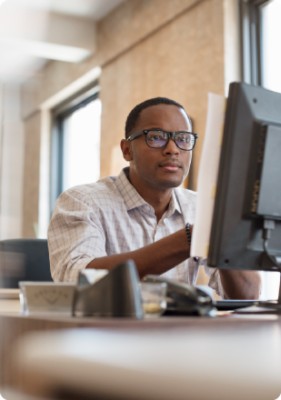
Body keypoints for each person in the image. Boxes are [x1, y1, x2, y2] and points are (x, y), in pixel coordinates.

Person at [48, 97, 261, 299]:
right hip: (107, 334)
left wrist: (226, 238)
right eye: (156, 137)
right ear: (127, 149)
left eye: (183, 139)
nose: (172, 149)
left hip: (181, 335)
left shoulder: (200, 208)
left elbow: (248, 296)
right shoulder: (82, 201)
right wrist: (189, 239)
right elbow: (76, 281)